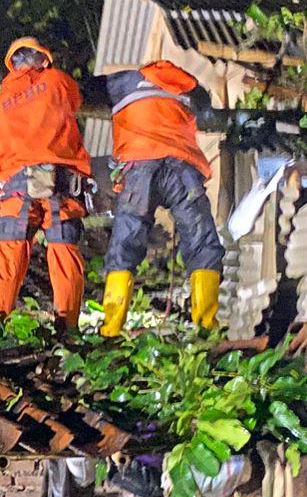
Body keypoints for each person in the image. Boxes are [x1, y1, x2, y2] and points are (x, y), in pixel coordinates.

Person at [91, 60, 227, 336]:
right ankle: (206, 329)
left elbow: (77, 94)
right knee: (202, 242)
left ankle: (111, 328)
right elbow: (206, 110)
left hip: (139, 168)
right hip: (182, 167)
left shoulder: (117, 84)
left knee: (126, 242)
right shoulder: (185, 82)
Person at [0, 36, 92, 330]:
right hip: (60, 182)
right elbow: (75, 100)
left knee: (9, 253)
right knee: (63, 249)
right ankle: (67, 328)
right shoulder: (56, 81)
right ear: (41, 59)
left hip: (15, 187)